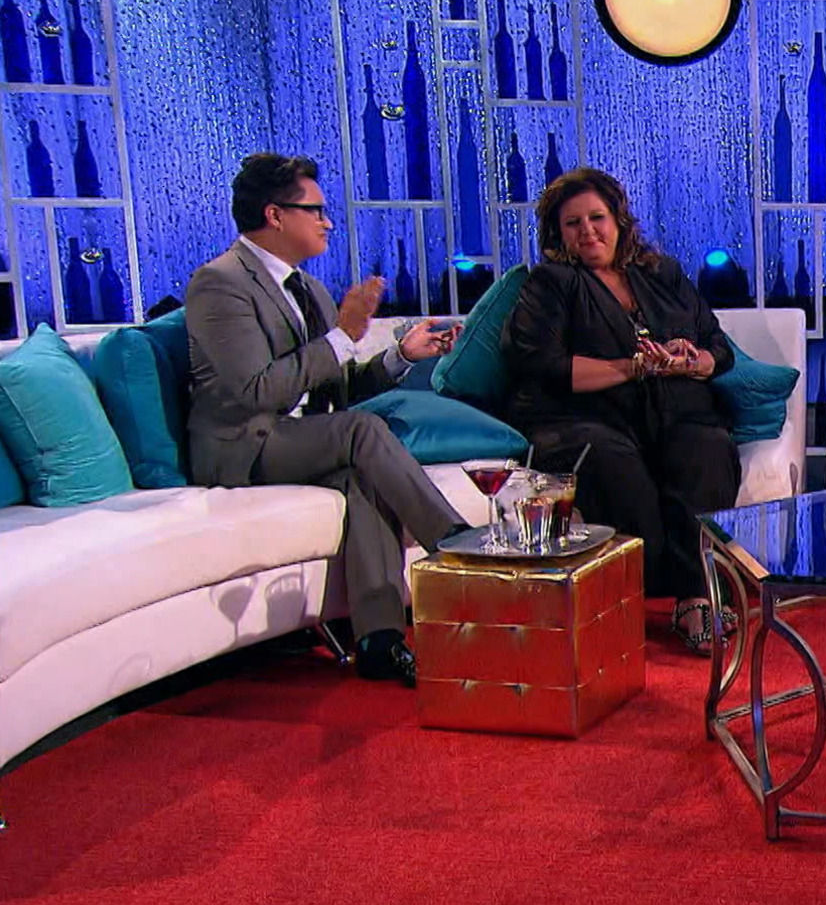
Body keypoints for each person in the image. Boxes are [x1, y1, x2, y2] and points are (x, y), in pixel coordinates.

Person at [185, 153, 466, 686]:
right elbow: (255, 391)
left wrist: (400, 356)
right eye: (314, 210)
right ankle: (458, 545)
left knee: (363, 477)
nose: (328, 222)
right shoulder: (220, 282)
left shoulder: (308, 289)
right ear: (274, 215)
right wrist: (341, 336)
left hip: (301, 438)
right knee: (362, 431)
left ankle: (380, 641)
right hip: (243, 445)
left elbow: (335, 389)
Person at [501, 167, 740, 653]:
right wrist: (633, 367)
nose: (588, 231)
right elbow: (544, 366)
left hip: (676, 411)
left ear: (618, 220)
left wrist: (692, 361)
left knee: (707, 447)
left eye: (597, 218)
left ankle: (695, 596)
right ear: (558, 234)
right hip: (584, 418)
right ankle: (644, 596)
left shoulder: (662, 274)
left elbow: (719, 347)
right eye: (573, 223)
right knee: (615, 464)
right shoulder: (551, 283)